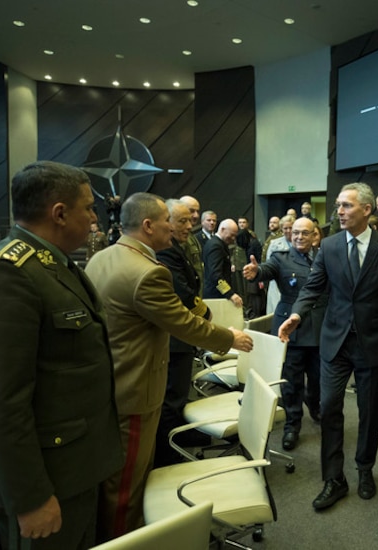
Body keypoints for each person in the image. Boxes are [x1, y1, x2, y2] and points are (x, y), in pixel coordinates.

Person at [86, 193, 253, 539]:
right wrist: (230, 338)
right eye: (167, 221)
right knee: (127, 486)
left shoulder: (101, 259)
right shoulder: (147, 272)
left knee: (117, 479)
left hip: (109, 384)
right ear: (148, 226)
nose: (175, 228)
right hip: (135, 391)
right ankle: (125, 541)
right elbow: (184, 322)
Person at [0, 161, 124, 549]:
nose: (95, 218)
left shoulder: (55, 264)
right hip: (47, 481)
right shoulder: (9, 273)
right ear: (59, 213)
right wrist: (30, 498)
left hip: (76, 468)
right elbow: (0, 402)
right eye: (89, 208)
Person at [277, 182, 378, 511]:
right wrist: (296, 314)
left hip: (372, 344)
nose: (339, 211)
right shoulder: (331, 246)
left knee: (368, 412)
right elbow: (313, 287)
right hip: (334, 342)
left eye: (347, 205)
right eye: (338, 205)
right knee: (330, 406)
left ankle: (365, 469)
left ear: (366, 209)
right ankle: (333, 478)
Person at [246, 217, 326, 450]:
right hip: (290, 329)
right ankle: (293, 425)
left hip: (320, 329)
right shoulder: (280, 258)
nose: (299, 237)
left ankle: (315, 405)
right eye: (295, 233)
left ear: (314, 236)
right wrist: (255, 271)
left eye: (305, 233)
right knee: (291, 382)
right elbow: (266, 270)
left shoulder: (324, 257)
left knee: (319, 378)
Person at [154, 199, 214, 467]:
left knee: (179, 394)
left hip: (182, 335)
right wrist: (207, 320)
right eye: (183, 221)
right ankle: (167, 455)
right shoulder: (165, 252)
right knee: (172, 398)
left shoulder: (176, 246)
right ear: (166, 221)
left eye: (191, 220)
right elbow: (183, 293)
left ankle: (178, 438)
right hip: (174, 337)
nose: (190, 225)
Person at [202, 218, 243, 307]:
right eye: (231, 235)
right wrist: (229, 293)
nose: (233, 239)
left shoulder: (217, 243)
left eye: (235, 236)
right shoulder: (216, 246)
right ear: (222, 229)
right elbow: (215, 275)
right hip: (216, 296)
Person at [179, 195, 205, 293]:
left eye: (197, 211)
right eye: (192, 211)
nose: (196, 215)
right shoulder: (179, 237)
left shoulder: (191, 236)